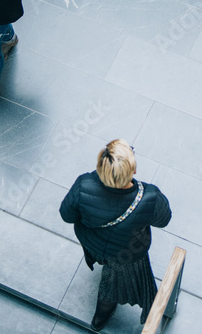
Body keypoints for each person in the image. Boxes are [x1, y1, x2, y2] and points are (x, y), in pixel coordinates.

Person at [59, 139, 172, 330]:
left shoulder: (83, 184)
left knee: (108, 275)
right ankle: (100, 318)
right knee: (111, 286)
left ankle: (100, 318)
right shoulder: (149, 197)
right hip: (125, 255)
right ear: (133, 170)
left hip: (91, 243)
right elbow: (164, 220)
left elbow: (66, 215)